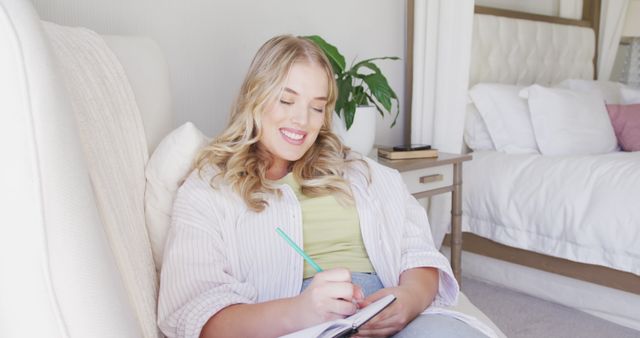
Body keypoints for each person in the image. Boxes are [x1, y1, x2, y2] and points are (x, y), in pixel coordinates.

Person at [157, 35, 491, 338]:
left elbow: (418, 252)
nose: (302, 121)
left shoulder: (361, 172)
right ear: (254, 97)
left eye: (316, 107)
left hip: (393, 318)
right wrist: (302, 311)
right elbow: (199, 316)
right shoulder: (211, 189)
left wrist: (409, 299)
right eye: (286, 101)